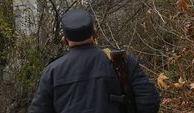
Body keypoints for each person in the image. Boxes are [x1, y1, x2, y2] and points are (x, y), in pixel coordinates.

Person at [28, 9, 160, 113]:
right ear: (95, 33)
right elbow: (149, 102)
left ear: (64, 40)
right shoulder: (120, 60)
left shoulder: (52, 72)